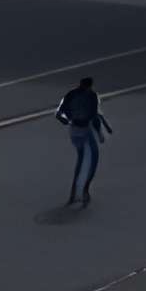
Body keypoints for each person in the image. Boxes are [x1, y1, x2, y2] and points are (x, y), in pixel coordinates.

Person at [58, 76, 110, 205]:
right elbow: (94, 117)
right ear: (90, 86)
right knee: (93, 159)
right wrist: (100, 133)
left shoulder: (71, 94)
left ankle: (73, 193)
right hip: (85, 130)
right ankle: (85, 189)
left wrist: (66, 120)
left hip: (74, 131)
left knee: (81, 159)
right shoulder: (92, 96)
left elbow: (60, 113)